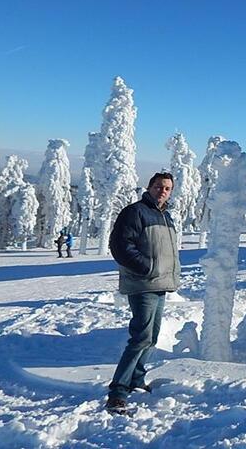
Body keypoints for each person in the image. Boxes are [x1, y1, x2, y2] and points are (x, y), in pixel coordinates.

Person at [105, 173, 180, 414]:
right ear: (149, 187)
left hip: (160, 284)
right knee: (140, 337)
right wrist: (145, 267)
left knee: (151, 337)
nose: (163, 191)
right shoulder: (135, 212)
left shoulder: (165, 217)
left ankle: (136, 378)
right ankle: (118, 391)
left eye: (167, 188)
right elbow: (120, 245)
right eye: (159, 187)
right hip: (143, 284)